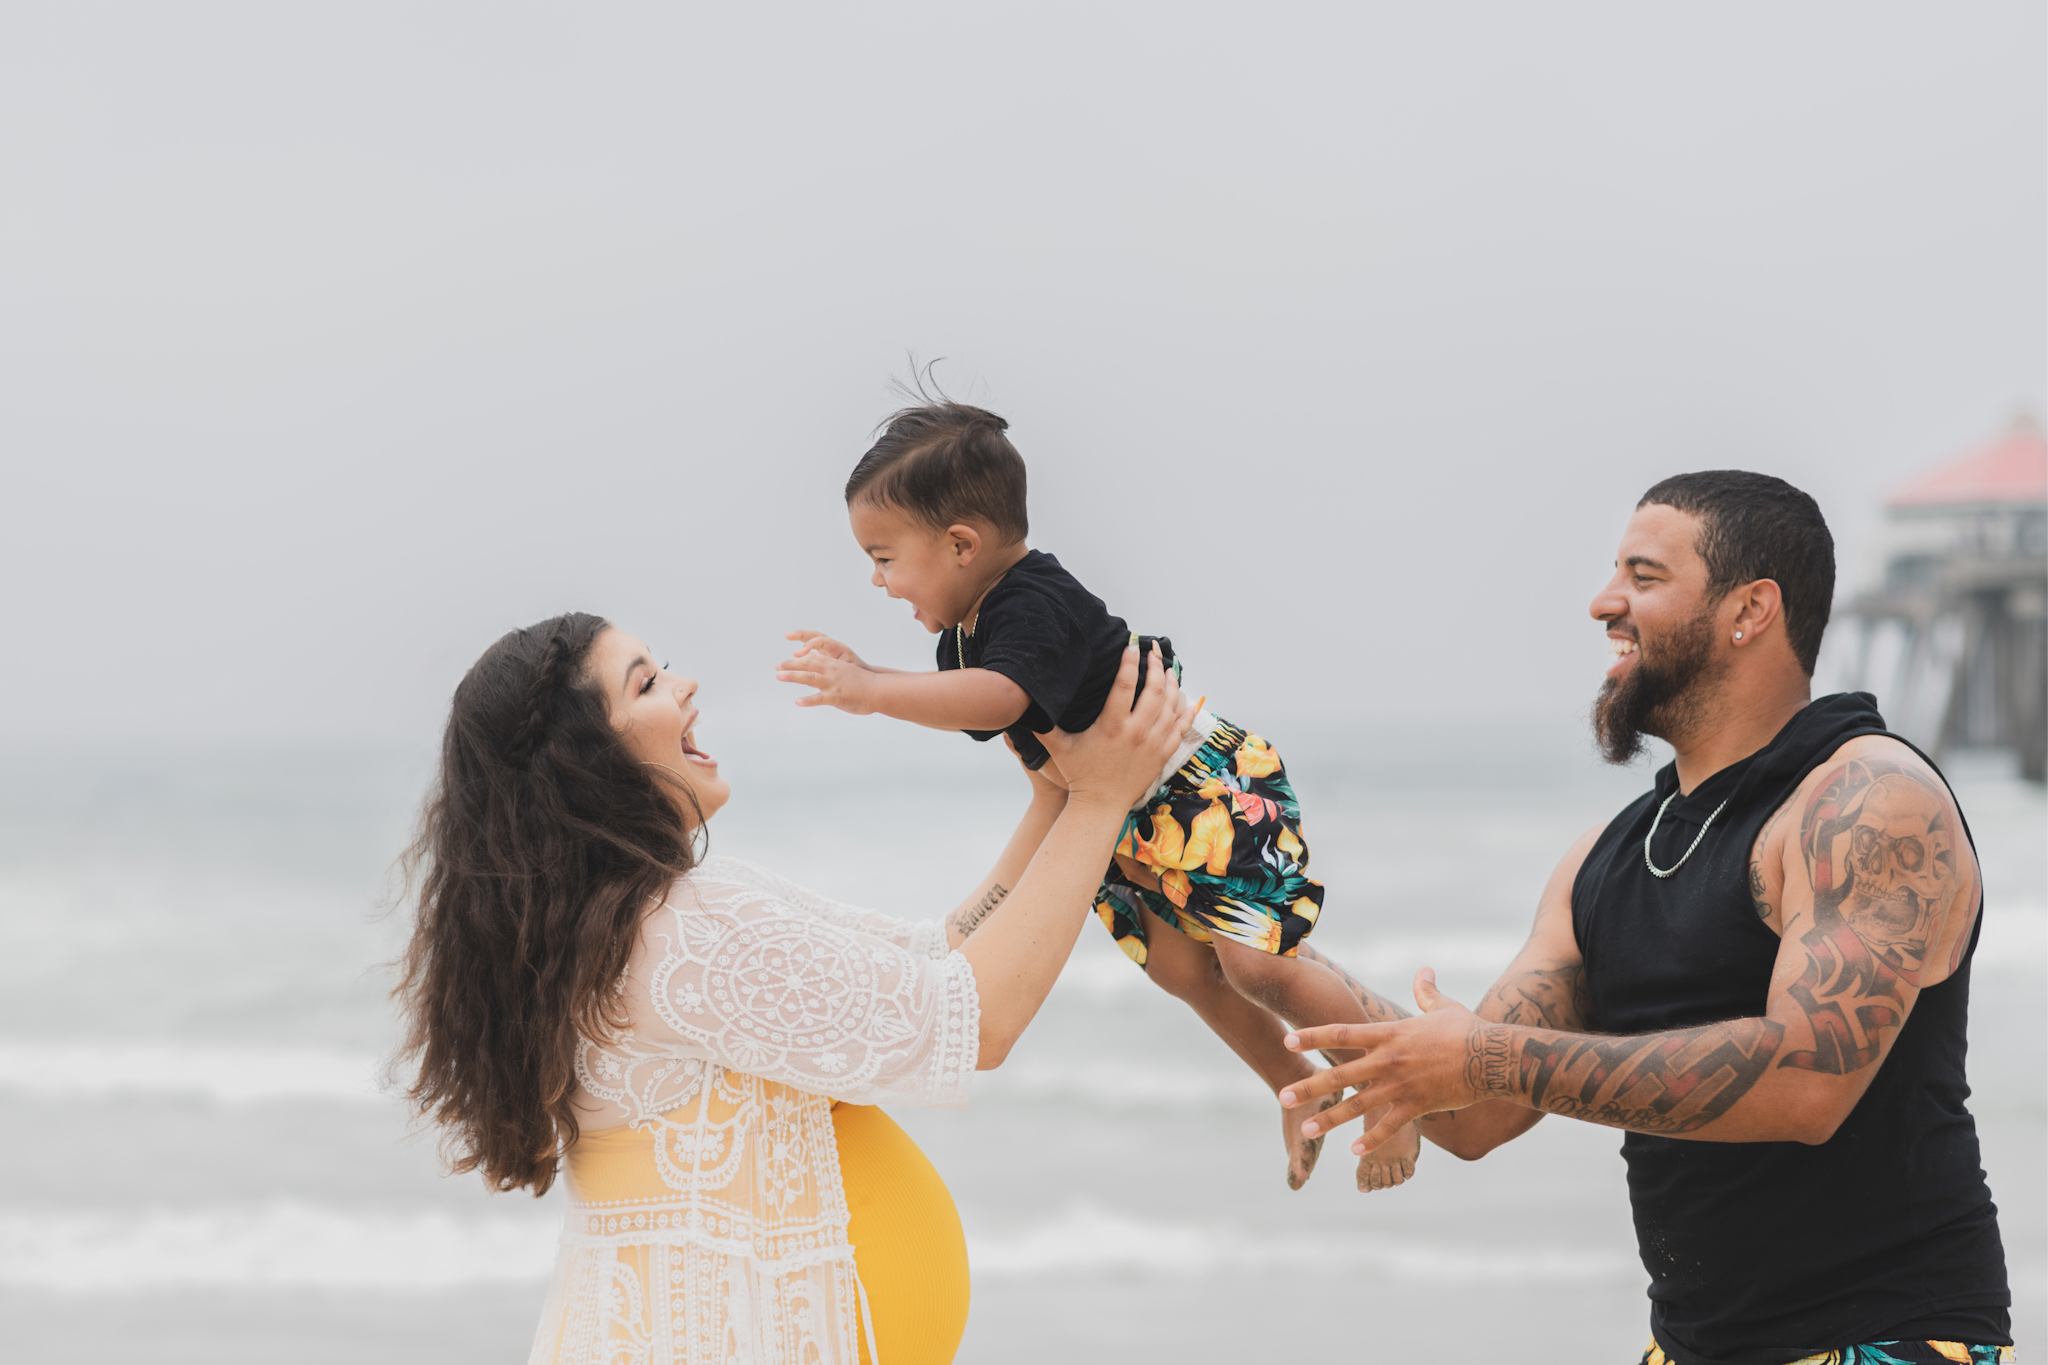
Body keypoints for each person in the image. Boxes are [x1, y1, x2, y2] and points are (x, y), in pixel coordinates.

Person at [1278, 472, 2013, 1364]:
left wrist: (1483, 1054)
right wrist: (1265, 959)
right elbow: (1475, 1115)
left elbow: (1808, 1081)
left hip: (1890, 1340)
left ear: (1750, 610)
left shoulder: (1867, 800)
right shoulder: (1607, 857)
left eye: (1645, 575)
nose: (1604, 602)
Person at [394, 611, 1192, 1365]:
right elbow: (971, 1021)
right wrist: (1100, 798)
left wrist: (1055, 799)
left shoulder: (640, 923)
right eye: (645, 684)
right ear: (583, 760)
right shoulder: (680, 929)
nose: (685, 686)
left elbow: (940, 957)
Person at [774, 401, 1420, 1191]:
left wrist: (871, 687)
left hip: (1201, 790)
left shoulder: (1031, 601)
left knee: (1258, 967)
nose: (876, 581)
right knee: (1182, 972)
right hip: (1130, 819)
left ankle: (1394, 1089)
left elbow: (1001, 699)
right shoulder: (968, 633)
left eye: (883, 557)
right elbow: (1010, 731)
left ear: (961, 544)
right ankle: (1288, 1092)